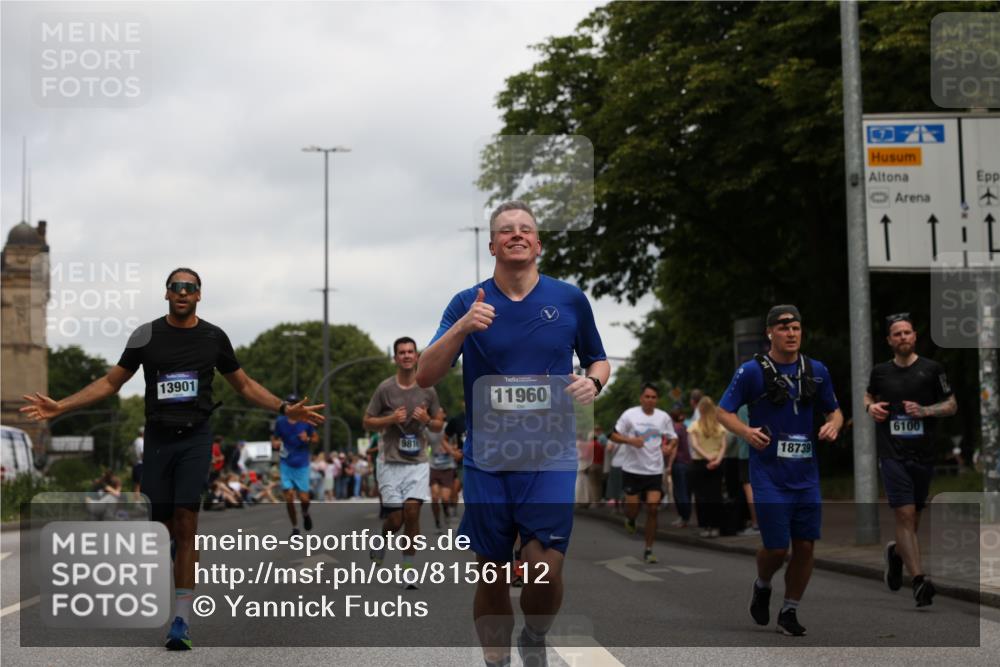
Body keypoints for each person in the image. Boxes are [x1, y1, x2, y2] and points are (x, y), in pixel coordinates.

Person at [21, 267, 324, 650]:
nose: (182, 293)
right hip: (158, 441)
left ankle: (180, 620)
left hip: (195, 438)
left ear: (199, 295)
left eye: (190, 288)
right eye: (176, 287)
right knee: (162, 531)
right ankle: (176, 575)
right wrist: (61, 406)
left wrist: (285, 408)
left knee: (186, 524)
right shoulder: (146, 335)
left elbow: (244, 385)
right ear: (166, 294)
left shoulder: (214, 337)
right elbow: (112, 382)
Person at [416, 200, 610, 667]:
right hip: (489, 457)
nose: (516, 234)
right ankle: (496, 662)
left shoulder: (568, 299)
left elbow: (598, 358)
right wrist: (461, 329)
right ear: (492, 245)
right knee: (493, 575)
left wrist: (595, 381)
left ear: (538, 243)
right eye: (506, 230)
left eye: (525, 229)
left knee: (544, 568)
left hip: (550, 453)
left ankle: (536, 635)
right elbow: (425, 374)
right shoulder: (468, 302)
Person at [718, 304, 842, 637]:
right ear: (770, 332)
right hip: (769, 473)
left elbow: (835, 412)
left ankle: (789, 610)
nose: (791, 333)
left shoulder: (816, 370)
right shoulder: (752, 372)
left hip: (805, 474)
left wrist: (833, 426)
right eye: (783, 327)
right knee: (776, 547)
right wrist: (746, 432)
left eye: (796, 328)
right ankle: (762, 584)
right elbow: (723, 412)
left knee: (805, 546)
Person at [865, 312, 956, 607]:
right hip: (892, 454)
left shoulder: (932, 370)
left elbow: (952, 405)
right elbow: (868, 397)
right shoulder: (880, 372)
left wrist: (925, 411)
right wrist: (871, 408)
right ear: (889, 340)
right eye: (897, 334)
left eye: (907, 332)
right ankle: (919, 580)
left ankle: (896, 554)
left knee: (913, 518)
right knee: (904, 515)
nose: (903, 337)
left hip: (923, 454)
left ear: (914, 336)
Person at [363, 336, 444, 587]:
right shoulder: (385, 389)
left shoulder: (428, 389)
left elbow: (440, 423)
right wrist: (388, 420)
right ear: (395, 358)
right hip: (390, 462)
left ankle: (408, 568)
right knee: (395, 520)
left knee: (411, 513)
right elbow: (366, 421)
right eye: (402, 352)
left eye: (411, 351)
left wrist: (428, 420)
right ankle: (382, 540)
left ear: (417, 356)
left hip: (418, 462)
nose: (407, 356)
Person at [611, 383, 678, 563]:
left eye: (653, 397)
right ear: (641, 398)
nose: (650, 400)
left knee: (653, 508)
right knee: (632, 509)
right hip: (632, 470)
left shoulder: (663, 417)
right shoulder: (630, 415)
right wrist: (630, 440)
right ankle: (631, 519)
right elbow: (614, 435)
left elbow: (673, 438)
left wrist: (668, 447)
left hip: (654, 470)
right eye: (647, 396)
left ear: (657, 399)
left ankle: (648, 549)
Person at [271, 393, 320, 537]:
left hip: (302, 462)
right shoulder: (280, 421)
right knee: (289, 497)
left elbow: (316, 439)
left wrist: (308, 438)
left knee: (304, 499)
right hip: (286, 462)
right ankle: (295, 528)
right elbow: (274, 439)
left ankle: (305, 513)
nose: (292, 406)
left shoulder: (305, 421)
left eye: (294, 404)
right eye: (289, 404)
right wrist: (275, 443)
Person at [688, 396, 727, 538]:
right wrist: (717, 460)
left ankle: (705, 526)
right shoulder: (720, 426)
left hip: (700, 463)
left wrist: (706, 457)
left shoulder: (694, 426)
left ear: (700, 409)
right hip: (717, 463)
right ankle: (716, 526)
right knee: (716, 495)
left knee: (701, 496)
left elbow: (694, 445)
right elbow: (724, 446)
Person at [428, 409, 458, 532]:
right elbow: (422, 443)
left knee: (445, 498)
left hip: (448, 466)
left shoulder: (449, 427)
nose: (437, 414)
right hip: (434, 466)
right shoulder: (427, 429)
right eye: (435, 412)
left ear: (444, 415)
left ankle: (446, 514)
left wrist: (449, 449)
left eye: (440, 412)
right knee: (435, 498)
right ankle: (437, 522)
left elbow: (458, 444)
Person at [666, 406, 692, 528]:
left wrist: (669, 465)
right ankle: (686, 517)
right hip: (688, 463)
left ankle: (683, 518)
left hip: (678, 463)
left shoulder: (674, 430)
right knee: (686, 491)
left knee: (679, 492)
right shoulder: (685, 428)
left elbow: (674, 449)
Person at [132, 427, 145, 494]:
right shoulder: (141, 441)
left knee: (136, 485)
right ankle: (138, 503)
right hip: (140, 465)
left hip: (136, 464)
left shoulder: (136, 441)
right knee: (139, 485)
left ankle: (136, 502)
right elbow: (142, 454)